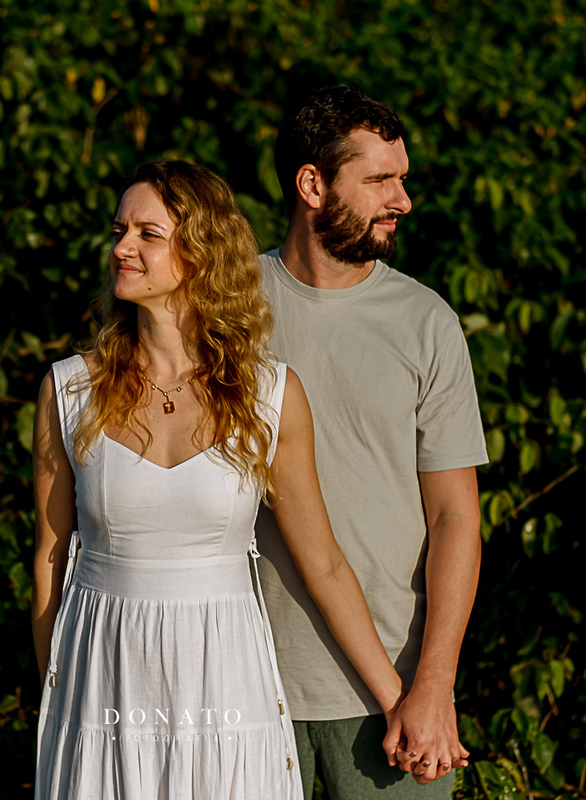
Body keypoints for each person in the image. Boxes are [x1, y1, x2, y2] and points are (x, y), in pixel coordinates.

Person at [31, 161, 416, 799]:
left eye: (147, 234)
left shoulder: (271, 394)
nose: (121, 248)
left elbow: (322, 564)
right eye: (119, 230)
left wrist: (398, 699)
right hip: (102, 677)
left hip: (224, 674)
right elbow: (49, 557)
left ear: (202, 251)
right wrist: (59, 697)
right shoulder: (69, 390)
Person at [253, 85, 488, 798]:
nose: (402, 200)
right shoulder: (226, 308)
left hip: (393, 705)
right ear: (313, 184)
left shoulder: (425, 323)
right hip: (242, 689)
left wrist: (434, 686)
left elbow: (456, 518)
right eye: (381, 180)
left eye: (403, 180)